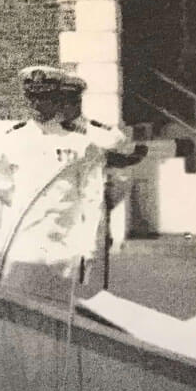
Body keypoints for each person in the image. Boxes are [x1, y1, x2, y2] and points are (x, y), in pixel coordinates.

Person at [0, 65, 102, 300]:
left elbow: (92, 199)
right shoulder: (12, 140)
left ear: (57, 99)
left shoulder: (81, 143)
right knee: (19, 310)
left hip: (65, 245)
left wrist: (89, 246)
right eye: (33, 97)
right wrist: (26, 208)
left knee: (60, 316)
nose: (38, 104)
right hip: (22, 246)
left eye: (45, 97)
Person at [58, 73, 145, 262]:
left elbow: (122, 176)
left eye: (68, 102)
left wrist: (107, 199)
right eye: (60, 102)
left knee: (87, 259)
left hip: (89, 207)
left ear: (77, 103)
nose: (63, 107)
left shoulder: (100, 133)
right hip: (57, 213)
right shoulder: (46, 132)